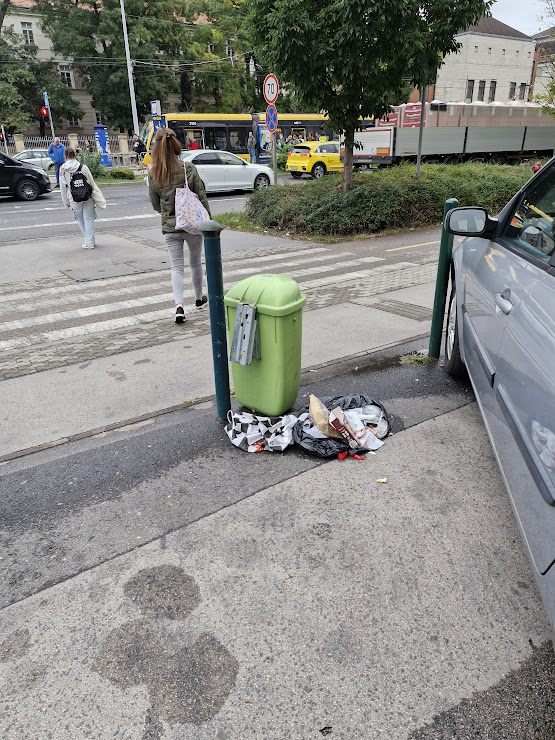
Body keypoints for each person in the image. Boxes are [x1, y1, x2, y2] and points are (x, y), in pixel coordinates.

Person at [148, 127, 211, 324]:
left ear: (156, 148)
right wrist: (208, 221)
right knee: (195, 263)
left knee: (177, 267)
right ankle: (199, 299)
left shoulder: (154, 173)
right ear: (176, 144)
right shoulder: (188, 168)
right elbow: (201, 197)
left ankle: (179, 307)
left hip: (171, 227)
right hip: (192, 225)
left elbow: (155, 204)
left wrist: (168, 213)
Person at [60, 147, 100, 249]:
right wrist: (97, 196)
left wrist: (65, 202)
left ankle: (88, 241)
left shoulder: (63, 169)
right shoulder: (83, 167)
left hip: (73, 197)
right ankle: (90, 242)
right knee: (89, 219)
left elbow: (63, 187)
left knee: (80, 219)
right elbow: (91, 182)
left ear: (65, 156)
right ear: (75, 155)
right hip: (87, 196)